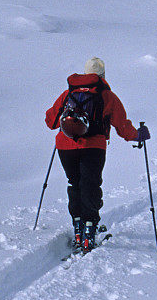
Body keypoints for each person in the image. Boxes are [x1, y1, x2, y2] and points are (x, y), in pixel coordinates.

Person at [45, 57, 149, 251]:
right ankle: (89, 232)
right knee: (91, 185)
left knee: (74, 183)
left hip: (65, 147)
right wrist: (139, 135)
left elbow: (50, 121)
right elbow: (122, 126)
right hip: (94, 147)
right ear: (102, 75)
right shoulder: (107, 96)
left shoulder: (68, 93)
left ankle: (78, 229)